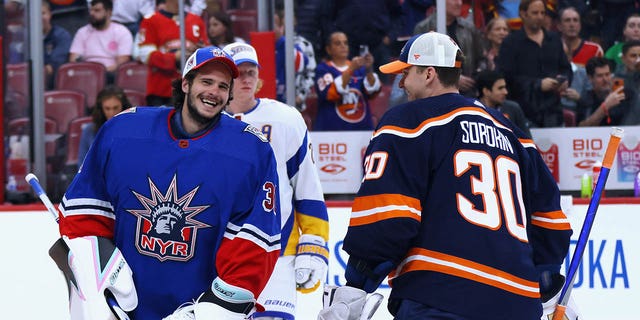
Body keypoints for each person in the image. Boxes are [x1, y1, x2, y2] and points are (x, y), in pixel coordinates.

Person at [317, 32, 577, 320]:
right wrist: (547, 283)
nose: (401, 83)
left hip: (439, 295)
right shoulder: (513, 133)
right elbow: (551, 221)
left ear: (428, 74)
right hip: (517, 303)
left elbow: (388, 219)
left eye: (406, 72)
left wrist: (355, 286)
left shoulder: (409, 122)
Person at [56, 46, 281, 320]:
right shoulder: (124, 131)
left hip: (198, 306)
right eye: (206, 82)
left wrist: (209, 312)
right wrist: (99, 289)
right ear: (186, 83)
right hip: (126, 308)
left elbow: (255, 243)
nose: (214, 91)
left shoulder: (250, 151)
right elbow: (85, 216)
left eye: (223, 86)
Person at [223, 42, 329, 320]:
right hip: (221, 252)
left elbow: (307, 187)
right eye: (238, 73)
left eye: (251, 71)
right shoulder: (207, 121)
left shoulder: (285, 119)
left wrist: (314, 245)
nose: (246, 78)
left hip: (278, 250)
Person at [496, 0, 573, 128]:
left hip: (553, 111)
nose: (540, 17)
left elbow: (566, 68)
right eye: (535, 13)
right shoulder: (511, 42)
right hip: (524, 112)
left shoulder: (554, 39)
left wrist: (565, 81)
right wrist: (537, 84)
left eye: (542, 13)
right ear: (523, 14)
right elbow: (506, 77)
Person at [133, 0, 209, 106]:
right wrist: (174, 58)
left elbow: (206, 52)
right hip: (160, 90)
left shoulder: (196, 20)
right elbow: (145, 55)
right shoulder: (150, 21)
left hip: (190, 89)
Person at [414, 0, 485, 97]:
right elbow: (420, 63)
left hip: (469, 91)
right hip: (435, 92)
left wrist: (475, 76)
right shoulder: (424, 28)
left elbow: (481, 59)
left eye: (460, 0)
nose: (459, 3)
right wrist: (452, 79)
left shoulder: (469, 28)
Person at [314, 31, 381, 131]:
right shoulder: (323, 69)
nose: (343, 46)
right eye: (338, 43)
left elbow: (372, 92)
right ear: (328, 49)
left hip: (361, 131)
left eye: (345, 43)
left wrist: (368, 69)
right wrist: (350, 69)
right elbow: (328, 93)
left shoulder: (359, 69)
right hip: (331, 133)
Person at [69, 0, 133, 81]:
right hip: (85, 75)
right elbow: (73, 59)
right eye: (91, 10)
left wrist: (100, 72)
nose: (92, 14)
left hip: (110, 76)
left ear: (109, 12)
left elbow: (122, 63)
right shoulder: (82, 32)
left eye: (97, 10)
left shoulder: (122, 32)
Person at [77, 85, 132, 168]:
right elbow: (82, 165)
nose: (112, 113)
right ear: (101, 109)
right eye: (107, 108)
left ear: (123, 106)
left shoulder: (133, 129)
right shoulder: (89, 131)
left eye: (115, 108)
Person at [274, 2, 315, 111]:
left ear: (295, 20)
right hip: (271, 102)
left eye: (288, 16)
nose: (285, 21)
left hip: (294, 104)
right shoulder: (268, 44)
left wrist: (300, 96)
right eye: (282, 18)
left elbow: (309, 73)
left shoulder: (304, 44)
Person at [578, 56, 640, 126]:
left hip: (624, 135)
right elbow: (582, 127)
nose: (605, 79)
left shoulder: (627, 95)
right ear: (590, 78)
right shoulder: (586, 98)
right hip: (599, 135)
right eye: (600, 76)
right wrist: (605, 106)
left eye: (607, 74)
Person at [476, 69, 532, 137]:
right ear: (486, 91)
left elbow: (527, 140)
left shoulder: (513, 108)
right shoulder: (472, 110)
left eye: (505, 87)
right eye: (500, 88)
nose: (505, 92)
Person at [43, 0, 72, 90]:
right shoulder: (26, 37)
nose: (39, 17)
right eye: (36, 15)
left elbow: (52, 67)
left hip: (54, 85)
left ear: (50, 14)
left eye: (43, 13)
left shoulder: (62, 35)